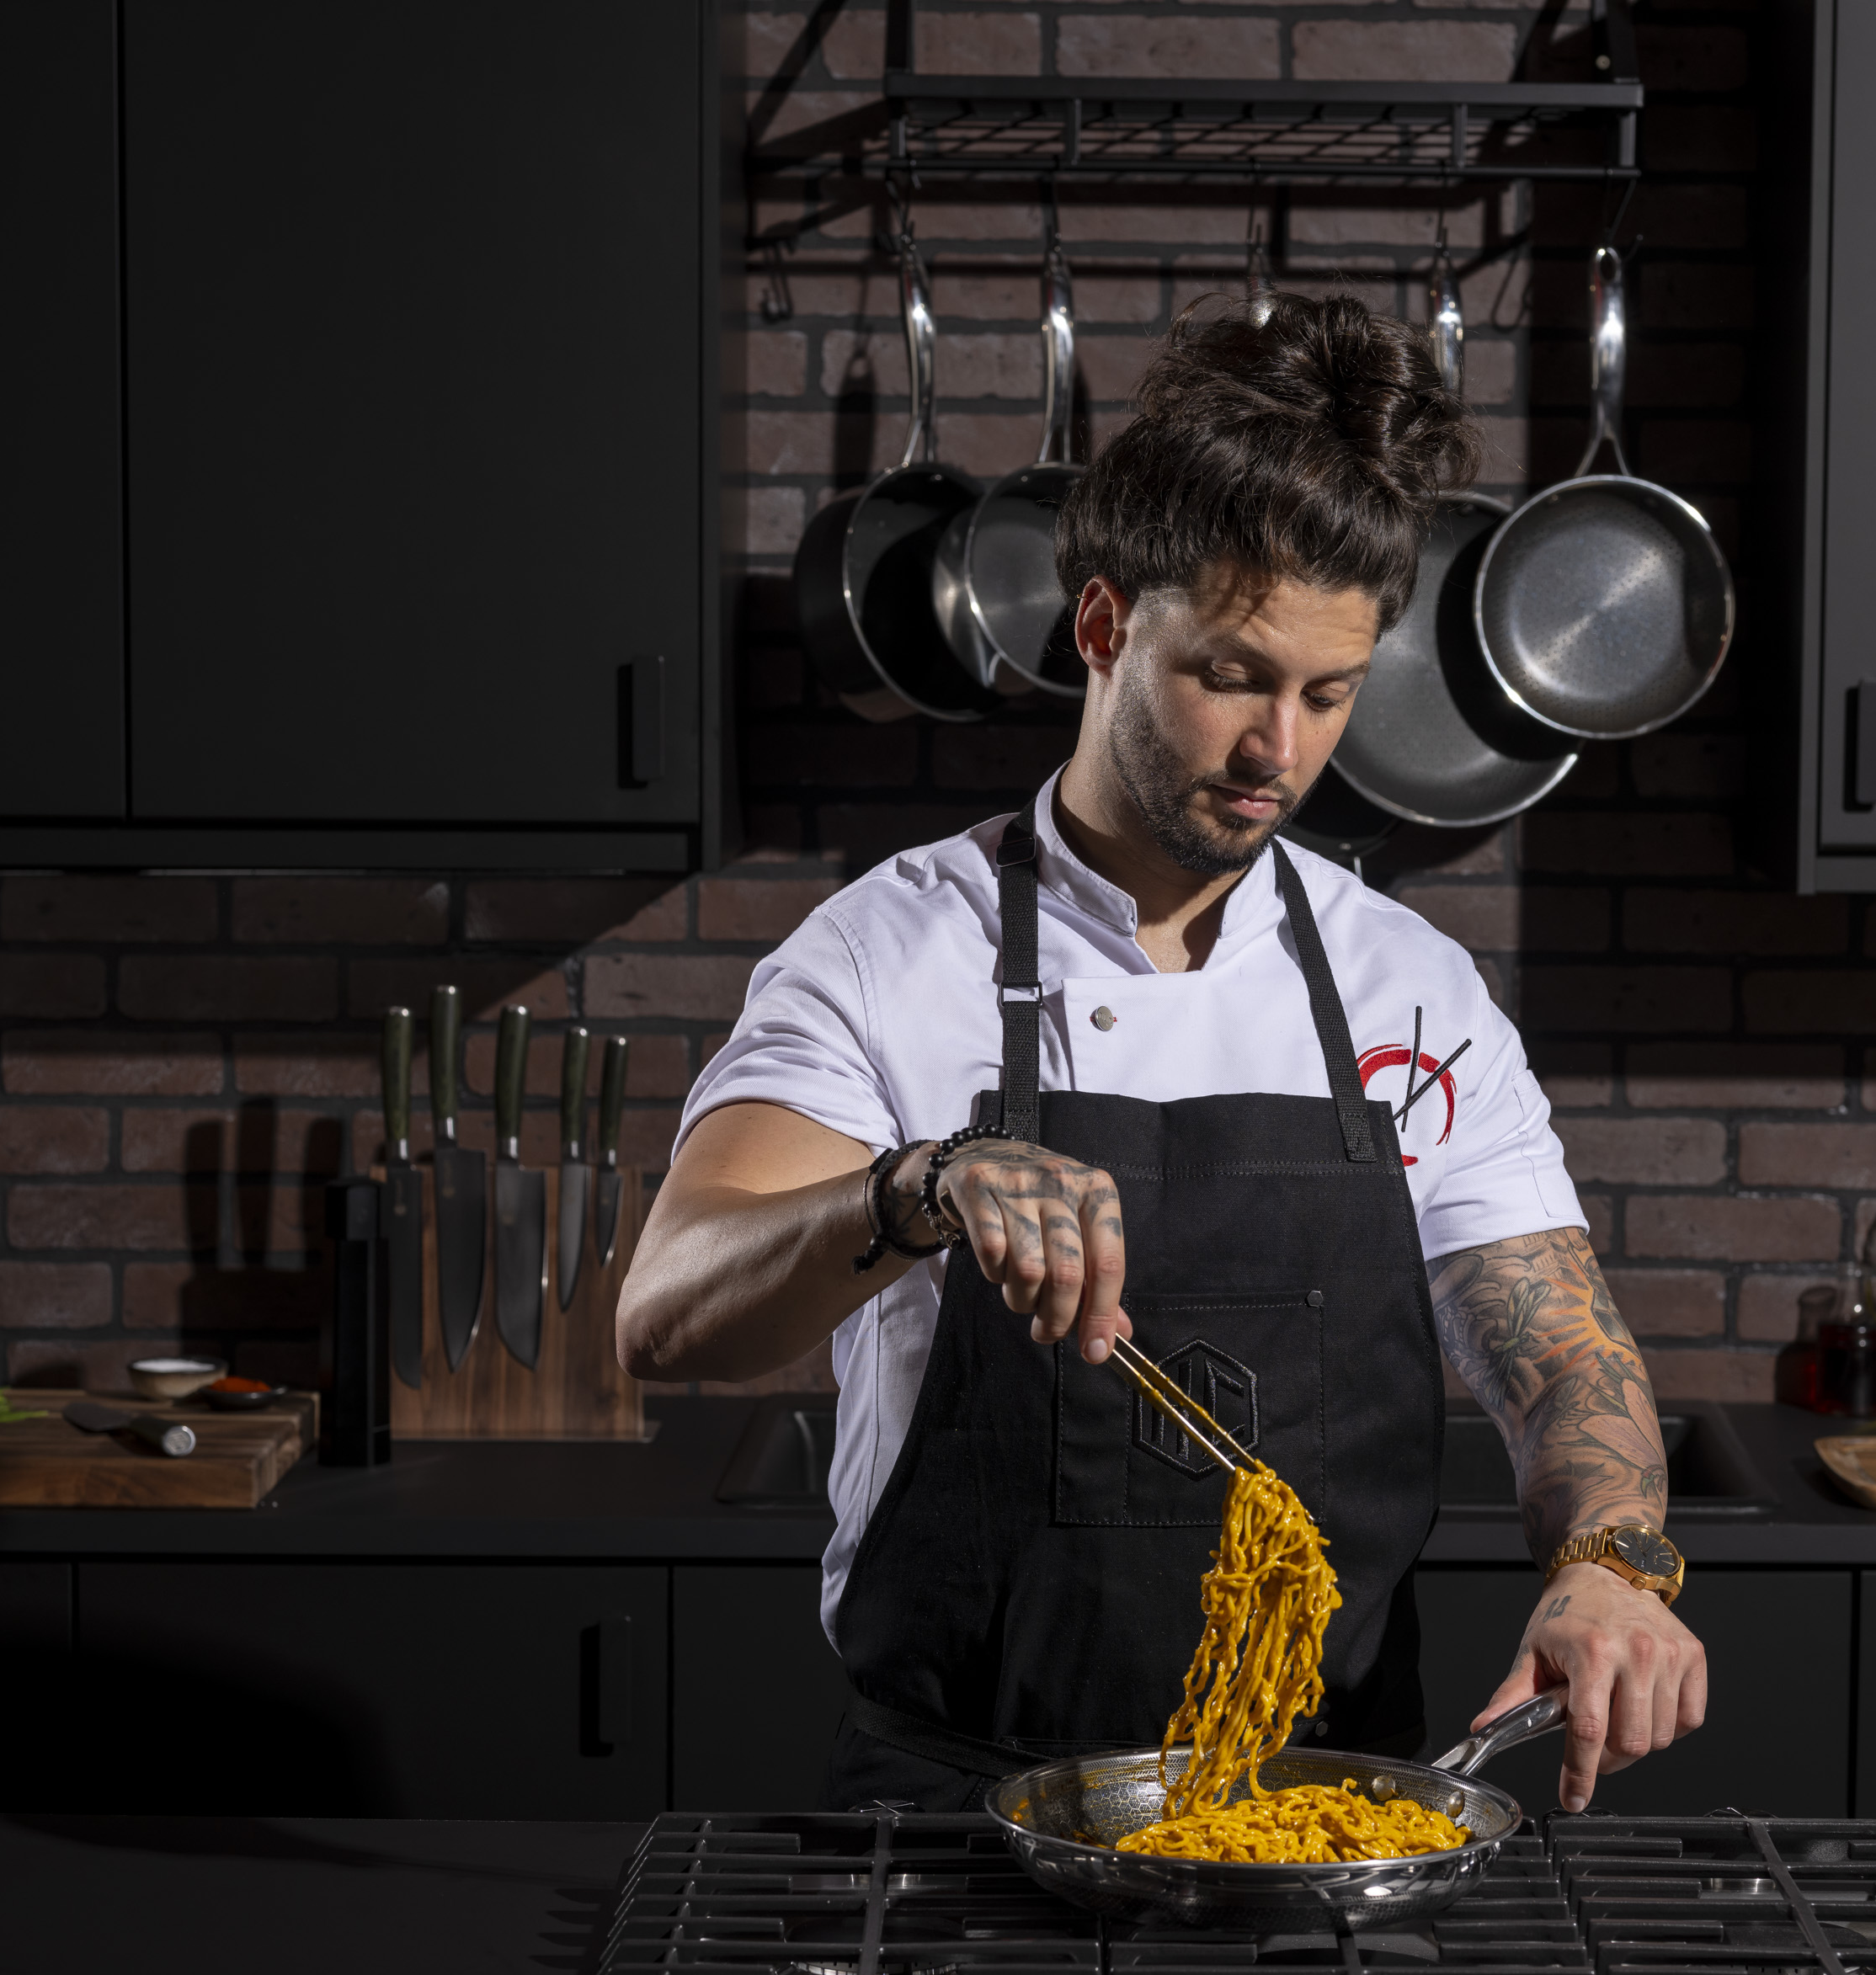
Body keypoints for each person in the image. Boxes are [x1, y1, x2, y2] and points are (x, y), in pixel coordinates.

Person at [619, 290, 1706, 1813]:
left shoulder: (1411, 990)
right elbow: (666, 1318)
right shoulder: (889, 951)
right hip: (960, 1815)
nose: (1282, 751)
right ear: (1105, 625)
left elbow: (1558, 1349)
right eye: (1236, 679)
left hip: (1330, 1807)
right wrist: (912, 1189)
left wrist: (1610, 1561)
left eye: (1330, 694)